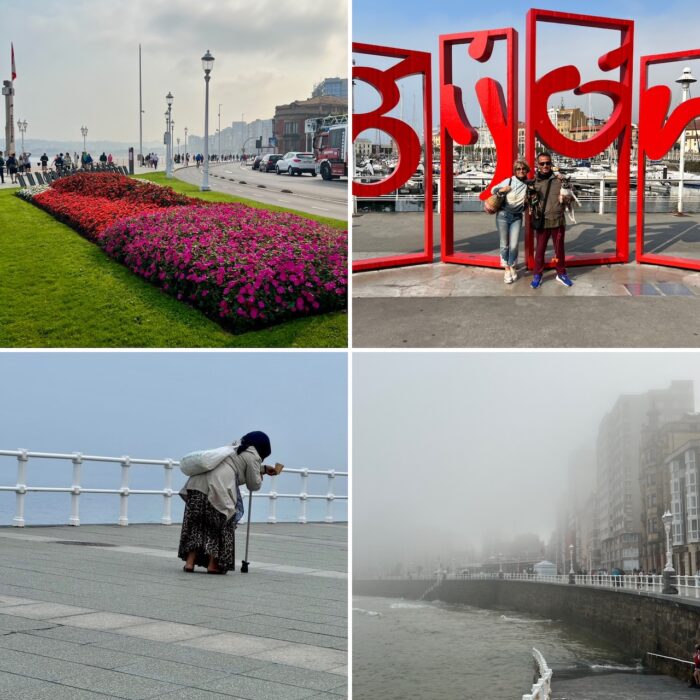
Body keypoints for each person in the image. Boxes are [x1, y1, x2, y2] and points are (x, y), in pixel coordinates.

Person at [178, 431, 277, 575]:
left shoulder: (233, 447)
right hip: (217, 489)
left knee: (196, 525)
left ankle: (189, 563)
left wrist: (263, 469)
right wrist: (259, 475)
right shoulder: (254, 456)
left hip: (196, 485)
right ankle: (213, 565)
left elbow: (237, 464)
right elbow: (253, 485)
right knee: (219, 526)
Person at [529, 152, 574, 289]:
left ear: (551, 164)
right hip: (542, 221)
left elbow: (571, 196)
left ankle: (561, 273)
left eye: (548, 163)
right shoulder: (533, 182)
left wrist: (568, 196)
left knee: (559, 250)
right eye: (542, 163)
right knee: (540, 250)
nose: (545, 166)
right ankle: (538, 274)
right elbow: (527, 201)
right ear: (537, 165)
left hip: (558, 220)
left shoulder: (559, 180)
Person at [491, 159, 531, 283]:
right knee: (504, 244)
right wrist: (501, 190)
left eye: (523, 169)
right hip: (503, 215)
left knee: (514, 245)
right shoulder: (508, 181)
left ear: (527, 170)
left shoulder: (528, 185)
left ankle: (512, 265)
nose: (521, 171)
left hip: (517, 217)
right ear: (515, 170)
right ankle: (507, 269)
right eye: (518, 169)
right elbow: (493, 190)